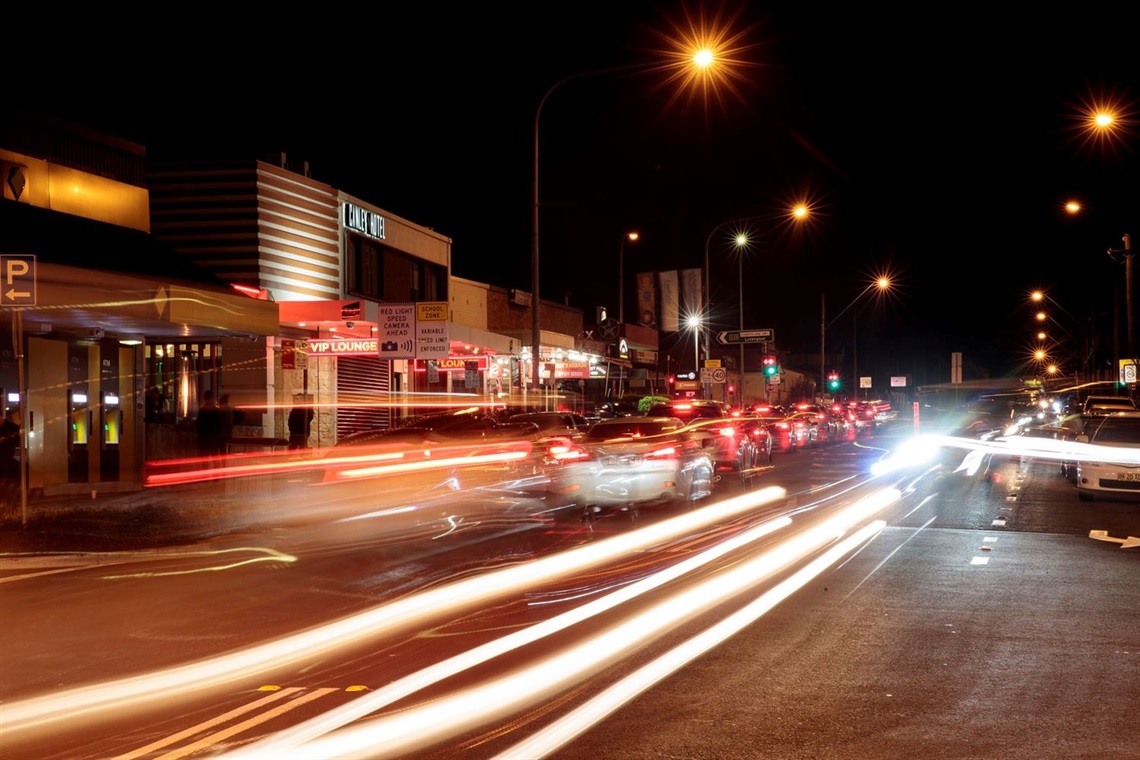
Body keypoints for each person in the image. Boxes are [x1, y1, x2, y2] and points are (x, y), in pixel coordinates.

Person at [196, 390, 228, 459]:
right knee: (215, 458)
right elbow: (220, 424)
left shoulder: (202, 410)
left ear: (204, 398)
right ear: (213, 397)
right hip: (214, 437)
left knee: (204, 459)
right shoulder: (216, 410)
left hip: (203, 438)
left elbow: (199, 425)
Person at [0, 408, 21, 509]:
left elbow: (18, 446)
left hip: (10, 463)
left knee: (11, 486)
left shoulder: (13, 428)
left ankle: (12, 506)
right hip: (3, 463)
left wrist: (18, 461)